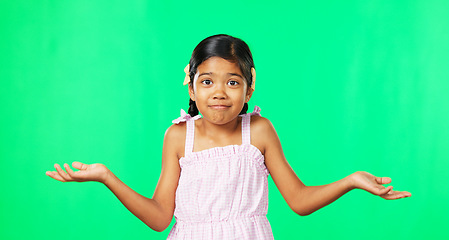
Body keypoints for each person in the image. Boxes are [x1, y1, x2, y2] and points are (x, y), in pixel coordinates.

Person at [46, 34, 411, 239]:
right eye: (208, 82)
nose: (219, 92)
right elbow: (160, 218)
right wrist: (106, 177)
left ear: (249, 89)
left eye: (233, 82)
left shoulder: (260, 131)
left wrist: (351, 181)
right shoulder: (177, 137)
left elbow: (298, 201)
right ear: (190, 85)